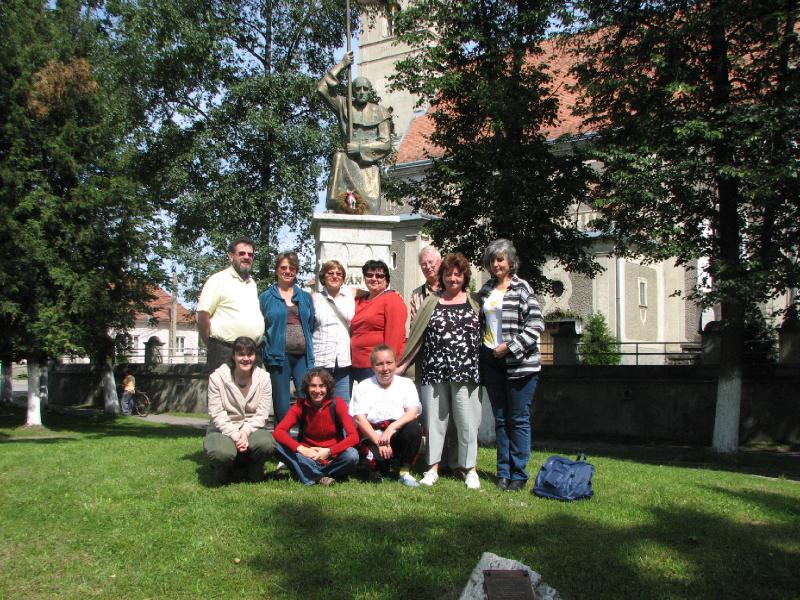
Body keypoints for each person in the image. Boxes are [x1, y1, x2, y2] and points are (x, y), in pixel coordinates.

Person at [399, 253, 482, 489]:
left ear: (464, 276)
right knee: (434, 422)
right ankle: (432, 468)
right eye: (448, 274)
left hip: (466, 371)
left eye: (457, 274)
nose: (452, 278)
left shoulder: (475, 302)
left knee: (466, 422)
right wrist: (402, 366)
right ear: (442, 276)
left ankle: (470, 469)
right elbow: (417, 336)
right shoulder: (431, 302)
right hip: (434, 370)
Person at [478, 239, 544, 492]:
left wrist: (511, 346)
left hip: (520, 364)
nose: (496, 264)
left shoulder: (522, 287)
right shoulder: (486, 290)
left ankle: (519, 474)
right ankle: (503, 473)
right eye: (492, 260)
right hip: (492, 362)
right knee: (501, 419)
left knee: (518, 419)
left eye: (500, 259)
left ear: (510, 261)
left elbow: (536, 325)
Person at [317, 51, 392, 214]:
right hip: (347, 161)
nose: (362, 92)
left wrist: (360, 148)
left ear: (370, 91)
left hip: (367, 166)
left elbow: (386, 144)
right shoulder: (344, 105)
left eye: (365, 89)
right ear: (353, 91)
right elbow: (322, 88)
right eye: (358, 89)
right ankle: (336, 205)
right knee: (339, 156)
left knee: (369, 210)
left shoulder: (381, 112)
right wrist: (342, 65)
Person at [204, 336, 274, 485]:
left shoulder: (264, 378)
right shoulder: (217, 378)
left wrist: (245, 432)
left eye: (250, 354)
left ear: (255, 356)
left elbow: (262, 414)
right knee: (221, 453)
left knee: (266, 444)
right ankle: (223, 468)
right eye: (241, 354)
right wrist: (236, 435)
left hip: (252, 428)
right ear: (233, 356)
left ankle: (253, 466)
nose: (246, 358)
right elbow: (217, 413)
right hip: (222, 429)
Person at [349, 344, 422, 487]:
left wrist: (392, 427)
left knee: (414, 428)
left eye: (389, 362)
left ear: (395, 364)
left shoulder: (406, 384)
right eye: (380, 364)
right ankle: (381, 467)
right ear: (372, 367)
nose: (385, 368)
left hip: (397, 433)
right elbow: (359, 419)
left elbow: (412, 412)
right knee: (374, 473)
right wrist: (379, 441)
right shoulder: (364, 386)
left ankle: (404, 472)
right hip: (373, 435)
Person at [272, 368, 360, 486]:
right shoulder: (300, 405)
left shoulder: (338, 403)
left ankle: (309, 474)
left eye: (321, 386)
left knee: (352, 455)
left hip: (332, 457)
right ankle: (321, 476)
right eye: (313, 386)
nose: (317, 390)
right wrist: (302, 449)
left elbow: (354, 437)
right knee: (275, 445)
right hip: (307, 457)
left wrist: (329, 451)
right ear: (307, 388)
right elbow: (278, 432)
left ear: (327, 388)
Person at [259, 251, 315, 424]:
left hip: (303, 357)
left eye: (292, 268)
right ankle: (282, 439)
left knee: (306, 400)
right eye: (283, 267)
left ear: (296, 271)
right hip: (278, 357)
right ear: (277, 270)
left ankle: (305, 438)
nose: (288, 271)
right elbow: (260, 326)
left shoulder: (305, 297)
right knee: (282, 404)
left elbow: (311, 323)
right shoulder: (266, 297)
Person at [197, 237, 265, 372]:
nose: (247, 257)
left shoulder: (252, 283)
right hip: (225, 352)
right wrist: (212, 344)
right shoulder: (218, 280)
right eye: (242, 253)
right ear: (231, 256)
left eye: (250, 254)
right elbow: (202, 316)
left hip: (252, 352)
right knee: (222, 386)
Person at [350, 260, 407, 383]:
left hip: (377, 366)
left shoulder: (392, 299)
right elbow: (341, 290)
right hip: (356, 365)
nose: (374, 278)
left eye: (379, 276)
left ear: (386, 280)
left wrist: (388, 365)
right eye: (369, 275)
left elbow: (395, 336)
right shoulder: (359, 300)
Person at [312, 260, 356, 402]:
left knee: (343, 405)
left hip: (343, 361)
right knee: (320, 404)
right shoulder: (315, 298)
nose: (335, 276)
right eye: (330, 273)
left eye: (339, 273)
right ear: (323, 277)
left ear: (343, 278)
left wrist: (391, 292)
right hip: (321, 360)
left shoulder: (350, 294)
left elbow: (373, 292)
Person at [408, 246, 442, 325]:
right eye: (423, 264)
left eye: (431, 262)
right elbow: (414, 326)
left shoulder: (450, 289)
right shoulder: (416, 294)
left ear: (440, 263)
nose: (428, 267)